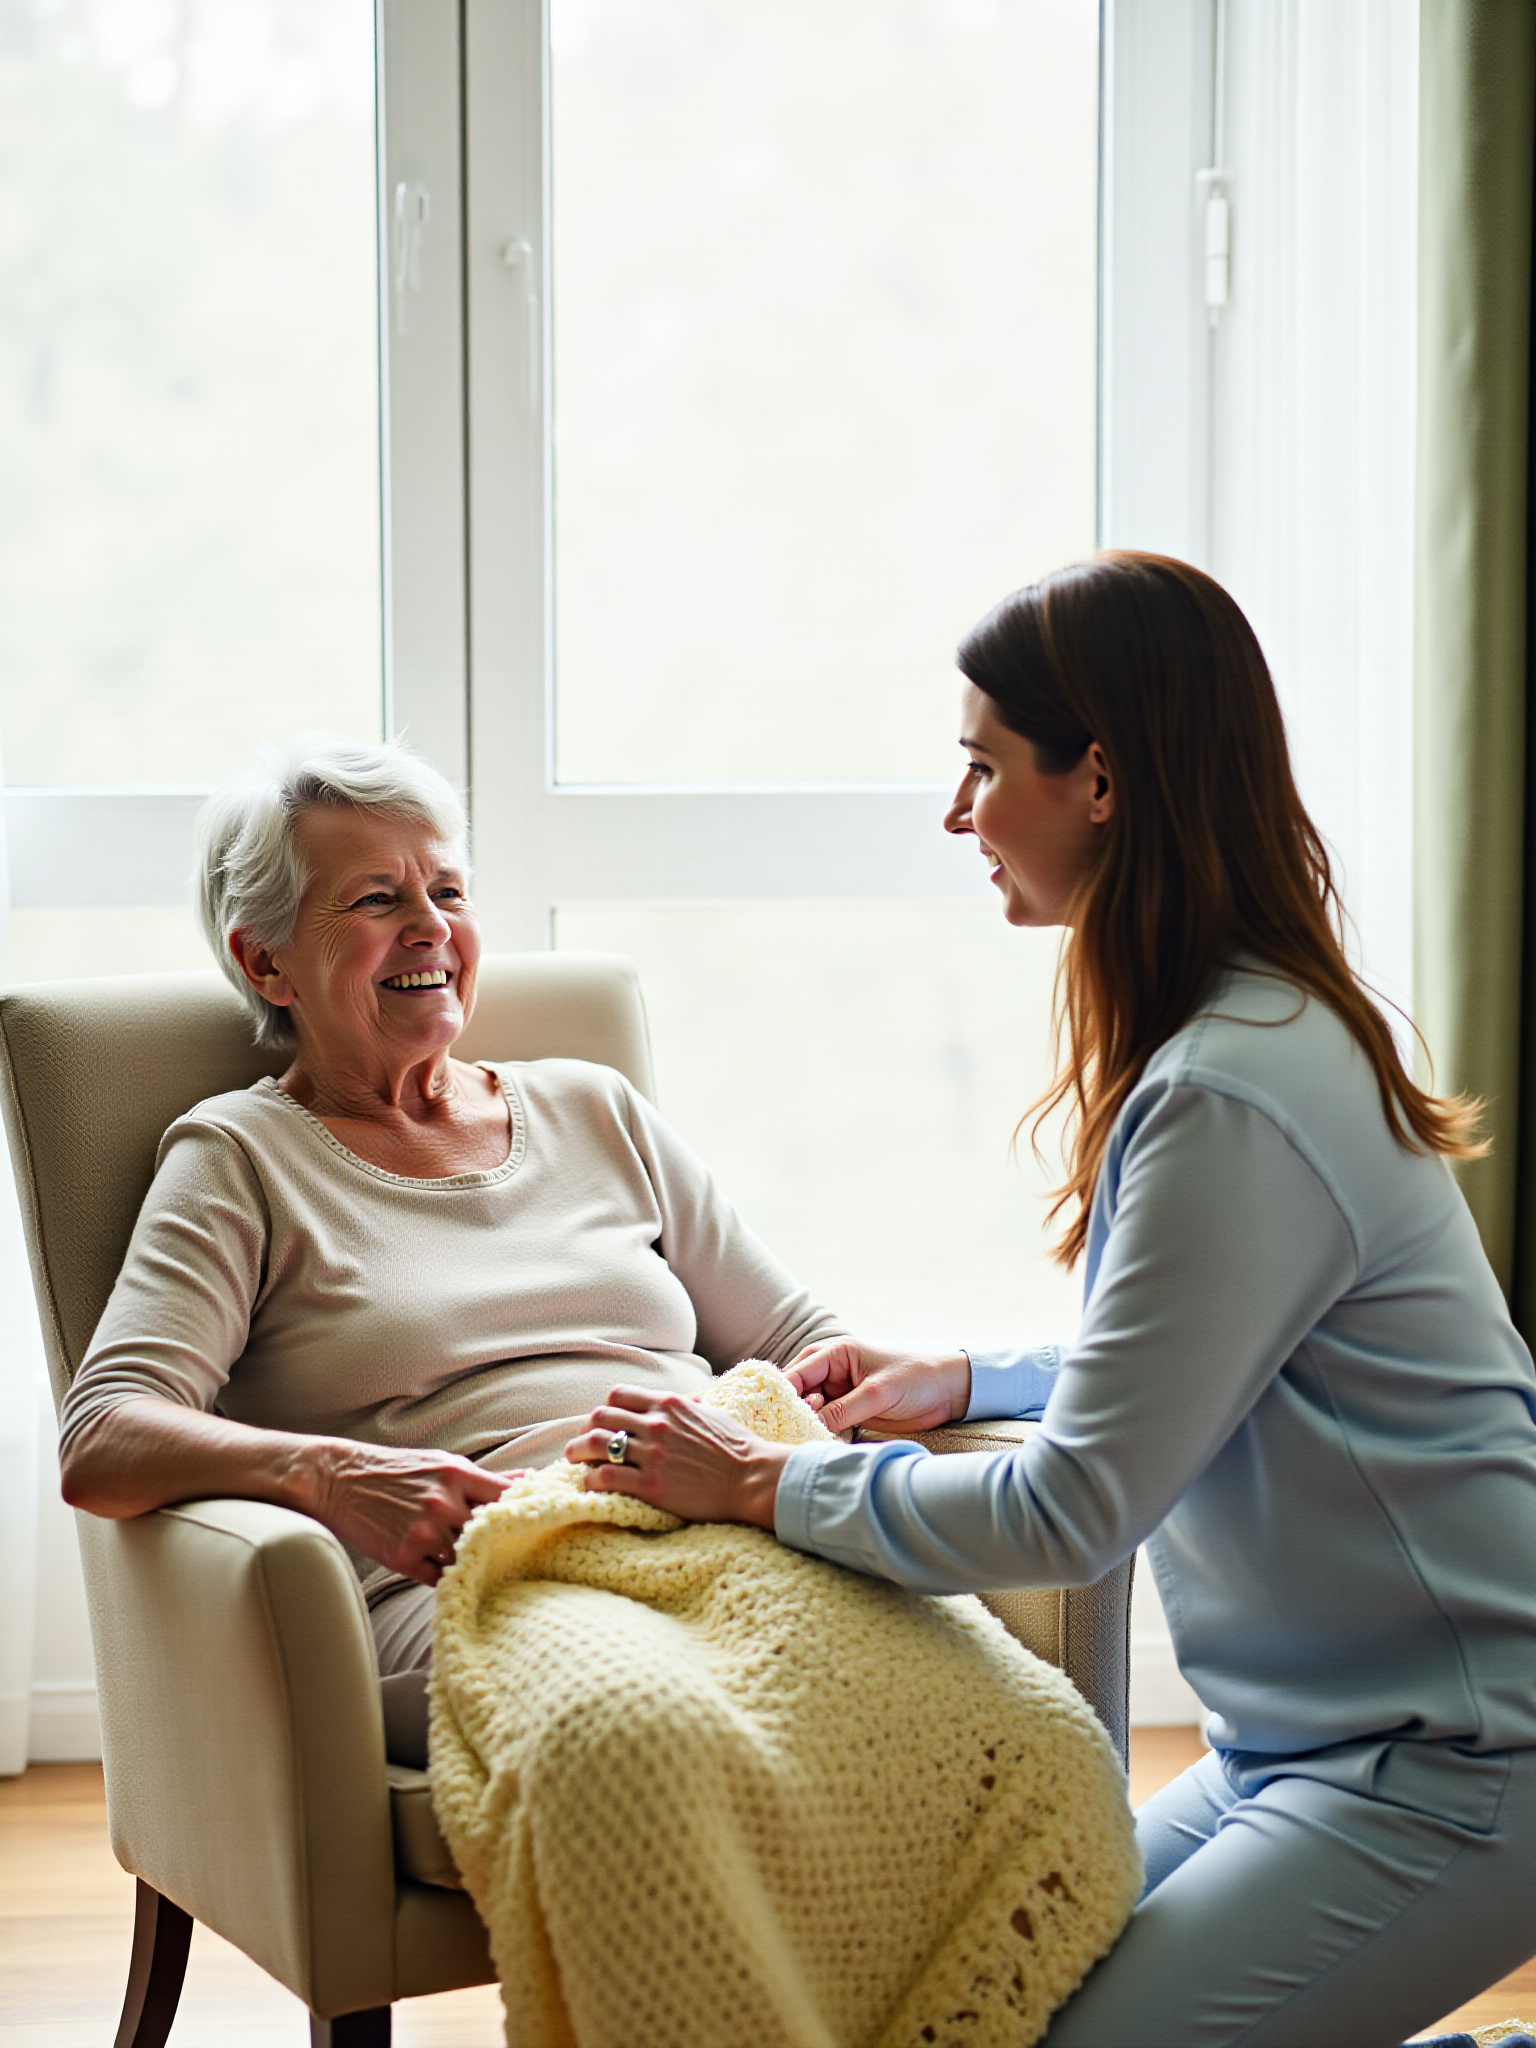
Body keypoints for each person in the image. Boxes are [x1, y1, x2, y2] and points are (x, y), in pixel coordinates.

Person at [567, 552, 1536, 2048]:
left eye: (981, 768)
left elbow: (1073, 1513)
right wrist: (968, 1380)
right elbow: (1199, 1355)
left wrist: (770, 1486)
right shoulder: (1236, 1034)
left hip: (1460, 1766)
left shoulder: (1233, 1087)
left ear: (1100, 778)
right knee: (974, 2004)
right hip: (1301, 1746)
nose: (961, 816)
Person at [58, 734, 841, 1765]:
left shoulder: (592, 1105)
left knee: (935, 1668)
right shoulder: (239, 1158)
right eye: (378, 899)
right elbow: (104, 1438)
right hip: (483, 1575)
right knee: (650, 1724)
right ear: (265, 958)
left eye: (449, 889)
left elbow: (799, 1340)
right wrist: (329, 1473)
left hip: (702, 1523)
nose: (432, 927)